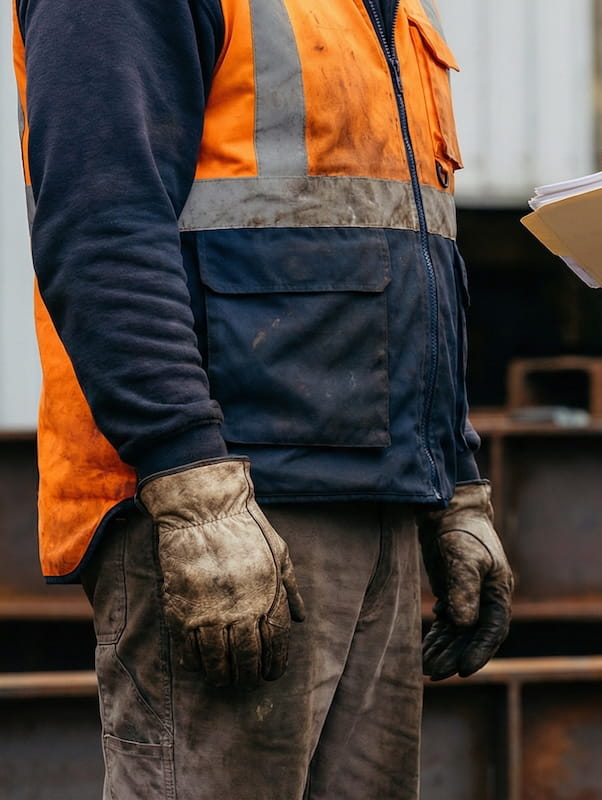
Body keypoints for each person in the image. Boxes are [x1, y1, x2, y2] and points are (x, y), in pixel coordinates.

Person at [14, 0, 513, 797]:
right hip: (225, 508)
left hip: (377, 497)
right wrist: (192, 486)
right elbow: (100, 225)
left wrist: (455, 480)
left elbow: (410, 236)